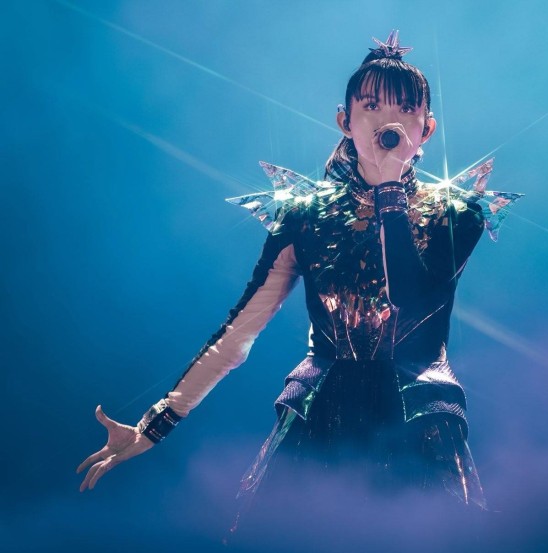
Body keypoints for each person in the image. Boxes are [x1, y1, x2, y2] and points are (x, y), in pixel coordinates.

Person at [77, 30, 520, 523]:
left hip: (418, 418)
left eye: (405, 108)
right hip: (319, 411)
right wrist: (154, 425)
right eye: (371, 106)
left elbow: (412, 299)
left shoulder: (454, 214)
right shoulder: (308, 215)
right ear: (344, 120)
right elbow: (239, 332)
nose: (387, 121)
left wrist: (390, 190)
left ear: (427, 128)